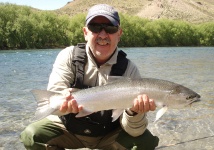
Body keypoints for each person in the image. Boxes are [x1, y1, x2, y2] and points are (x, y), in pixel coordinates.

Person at [20, 4, 159, 150]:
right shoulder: (68, 56)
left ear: (119, 33)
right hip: (70, 132)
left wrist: (134, 112)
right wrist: (64, 103)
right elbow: (53, 105)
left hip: (108, 136)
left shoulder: (129, 69)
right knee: (32, 135)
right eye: (95, 27)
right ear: (85, 32)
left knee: (145, 142)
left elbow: (134, 131)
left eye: (110, 28)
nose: (103, 35)